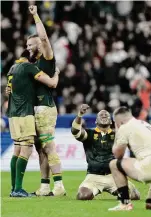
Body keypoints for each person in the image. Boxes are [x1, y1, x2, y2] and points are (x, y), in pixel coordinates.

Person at [7, 50, 59, 197]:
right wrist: (57, 73)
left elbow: (10, 90)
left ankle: (13, 188)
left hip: (12, 114)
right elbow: (52, 83)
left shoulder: (12, 69)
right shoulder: (28, 67)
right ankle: (18, 189)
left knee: (17, 150)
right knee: (26, 150)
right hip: (24, 113)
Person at [27, 5, 65, 196]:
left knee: (48, 146)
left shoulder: (47, 58)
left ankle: (59, 186)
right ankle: (44, 186)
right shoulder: (32, 65)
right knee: (40, 149)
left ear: (40, 45)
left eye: (30, 44)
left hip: (45, 108)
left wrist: (35, 16)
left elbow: (43, 38)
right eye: (26, 46)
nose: (28, 48)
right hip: (35, 109)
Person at [108, 106, 151, 211]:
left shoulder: (125, 127)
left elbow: (117, 155)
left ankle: (125, 204)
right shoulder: (145, 124)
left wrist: (118, 131)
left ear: (119, 121)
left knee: (114, 164)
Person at [71, 104, 140, 200]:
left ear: (111, 121)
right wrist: (80, 115)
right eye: (101, 115)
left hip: (114, 175)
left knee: (134, 196)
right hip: (93, 176)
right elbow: (75, 131)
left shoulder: (118, 134)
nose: (104, 116)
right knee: (83, 196)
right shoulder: (89, 134)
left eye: (106, 115)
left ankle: (120, 192)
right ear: (96, 121)